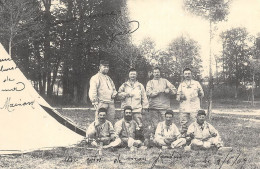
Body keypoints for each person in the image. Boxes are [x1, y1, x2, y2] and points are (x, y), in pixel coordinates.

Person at [176, 68, 204, 136]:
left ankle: (196, 136)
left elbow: (202, 94)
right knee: (183, 123)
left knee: (195, 122)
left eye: (189, 74)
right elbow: (177, 97)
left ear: (191, 74)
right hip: (184, 107)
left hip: (194, 107)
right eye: (186, 74)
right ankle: (184, 138)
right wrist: (180, 97)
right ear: (183, 75)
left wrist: (199, 93)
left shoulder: (196, 83)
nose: (187, 75)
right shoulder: (181, 84)